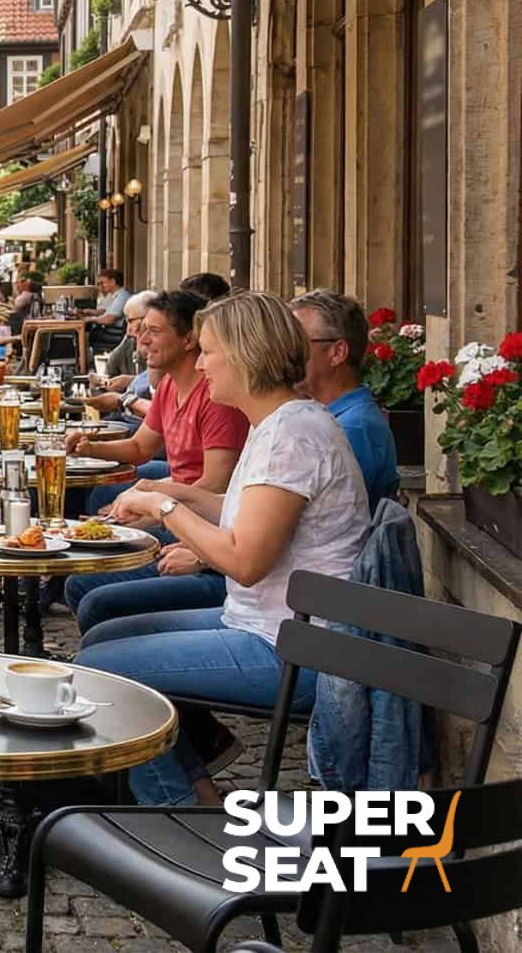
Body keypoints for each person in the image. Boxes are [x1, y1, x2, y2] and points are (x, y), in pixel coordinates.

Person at [78, 291, 368, 805]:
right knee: (104, 636)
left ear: (245, 355)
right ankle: (199, 787)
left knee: (105, 672)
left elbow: (244, 560)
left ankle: (181, 816)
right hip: (265, 623)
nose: (202, 362)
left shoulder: (291, 435)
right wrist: (171, 491)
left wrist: (167, 510)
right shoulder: (277, 423)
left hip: (295, 648)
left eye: (209, 351)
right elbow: (240, 511)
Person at [61, 290, 250, 634]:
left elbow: (215, 487)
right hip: (181, 514)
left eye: (154, 331)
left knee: (85, 585)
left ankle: (113, 651)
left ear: (190, 340)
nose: (141, 339)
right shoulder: (168, 388)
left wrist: (153, 512)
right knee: (81, 556)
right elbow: (139, 447)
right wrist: (86, 447)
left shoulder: (218, 400)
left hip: (200, 527)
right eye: (140, 329)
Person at [291, 290, 401, 506]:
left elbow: (320, 518)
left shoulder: (352, 427)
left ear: (337, 352)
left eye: (297, 342)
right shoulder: (335, 414)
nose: (285, 352)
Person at [84, 268, 132, 353]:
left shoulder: (122, 296)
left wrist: (91, 319)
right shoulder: (114, 295)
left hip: (114, 333)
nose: (101, 286)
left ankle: (87, 362)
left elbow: (109, 319)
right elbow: (103, 312)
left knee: (84, 335)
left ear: (113, 282)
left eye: (103, 283)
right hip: (108, 330)